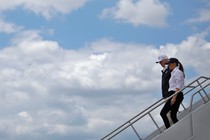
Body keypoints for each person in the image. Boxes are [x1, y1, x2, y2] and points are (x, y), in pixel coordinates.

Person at [160, 58, 185, 129]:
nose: (169, 66)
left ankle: (169, 129)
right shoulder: (173, 72)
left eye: (170, 64)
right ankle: (176, 129)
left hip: (176, 94)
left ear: (174, 63)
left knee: (164, 113)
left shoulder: (177, 72)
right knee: (172, 115)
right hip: (173, 94)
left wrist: (174, 97)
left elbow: (178, 85)